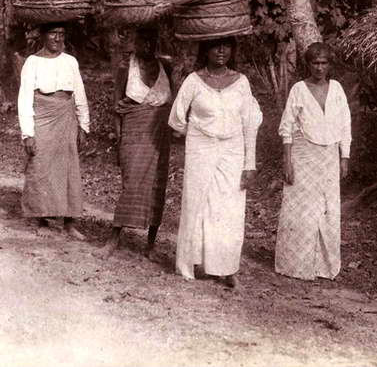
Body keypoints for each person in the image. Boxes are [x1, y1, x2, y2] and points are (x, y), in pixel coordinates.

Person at [168, 37, 262, 289]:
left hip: (233, 149)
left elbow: (250, 124)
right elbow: (176, 120)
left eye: (227, 46)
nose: (221, 51)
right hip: (201, 147)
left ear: (233, 49)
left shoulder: (241, 83)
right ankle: (188, 265)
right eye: (215, 45)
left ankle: (227, 269)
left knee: (229, 207)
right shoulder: (193, 81)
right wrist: (200, 135)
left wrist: (249, 163)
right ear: (205, 49)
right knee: (195, 202)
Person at [275, 42, 352, 281]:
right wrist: (287, 161)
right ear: (307, 64)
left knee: (328, 208)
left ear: (330, 65)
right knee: (301, 209)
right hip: (303, 153)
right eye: (315, 63)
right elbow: (287, 126)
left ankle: (324, 266)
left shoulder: (337, 89)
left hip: (329, 155)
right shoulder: (299, 89)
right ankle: (296, 265)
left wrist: (344, 156)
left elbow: (344, 124)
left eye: (324, 63)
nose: (319, 68)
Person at [98, 28, 173, 259]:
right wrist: (120, 140)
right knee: (131, 183)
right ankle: (114, 238)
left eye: (152, 39)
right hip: (133, 130)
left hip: (159, 133)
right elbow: (116, 107)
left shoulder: (165, 66)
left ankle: (150, 245)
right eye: (143, 40)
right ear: (135, 42)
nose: (147, 45)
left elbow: (174, 102)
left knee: (156, 186)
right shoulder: (125, 67)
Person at [17, 22, 90, 240]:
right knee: (41, 165)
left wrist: (83, 125)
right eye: (53, 34)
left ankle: (69, 222)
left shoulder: (70, 62)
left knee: (68, 168)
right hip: (43, 117)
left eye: (61, 34)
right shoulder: (32, 62)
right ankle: (43, 218)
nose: (58, 39)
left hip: (66, 117)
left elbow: (79, 94)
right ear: (43, 36)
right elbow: (24, 99)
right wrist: (27, 133)